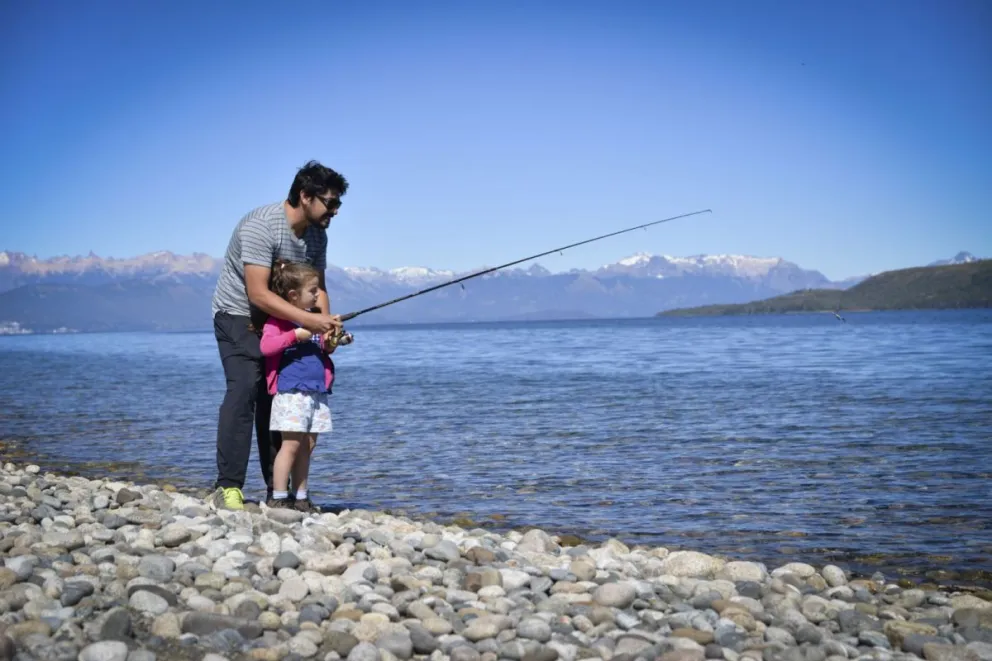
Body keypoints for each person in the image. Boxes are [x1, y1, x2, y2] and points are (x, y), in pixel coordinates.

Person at [209, 160, 347, 511]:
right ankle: (228, 487)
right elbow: (258, 294)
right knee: (245, 389)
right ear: (305, 196)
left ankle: (279, 492)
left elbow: (319, 289)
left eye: (338, 203)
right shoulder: (261, 226)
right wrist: (308, 320)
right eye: (331, 202)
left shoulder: (317, 234)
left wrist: (327, 327)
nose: (335, 211)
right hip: (238, 314)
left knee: (280, 397)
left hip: (284, 320)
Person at [260, 260, 339, 512]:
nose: (318, 295)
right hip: (292, 393)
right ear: (293, 295)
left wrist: (333, 340)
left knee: (307, 446)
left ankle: (301, 497)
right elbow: (266, 347)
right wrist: (295, 334)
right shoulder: (278, 321)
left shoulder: (315, 320)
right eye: (313, 290)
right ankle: (278, 496)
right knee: (291, 445)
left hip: (316, 392)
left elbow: (323, 348)